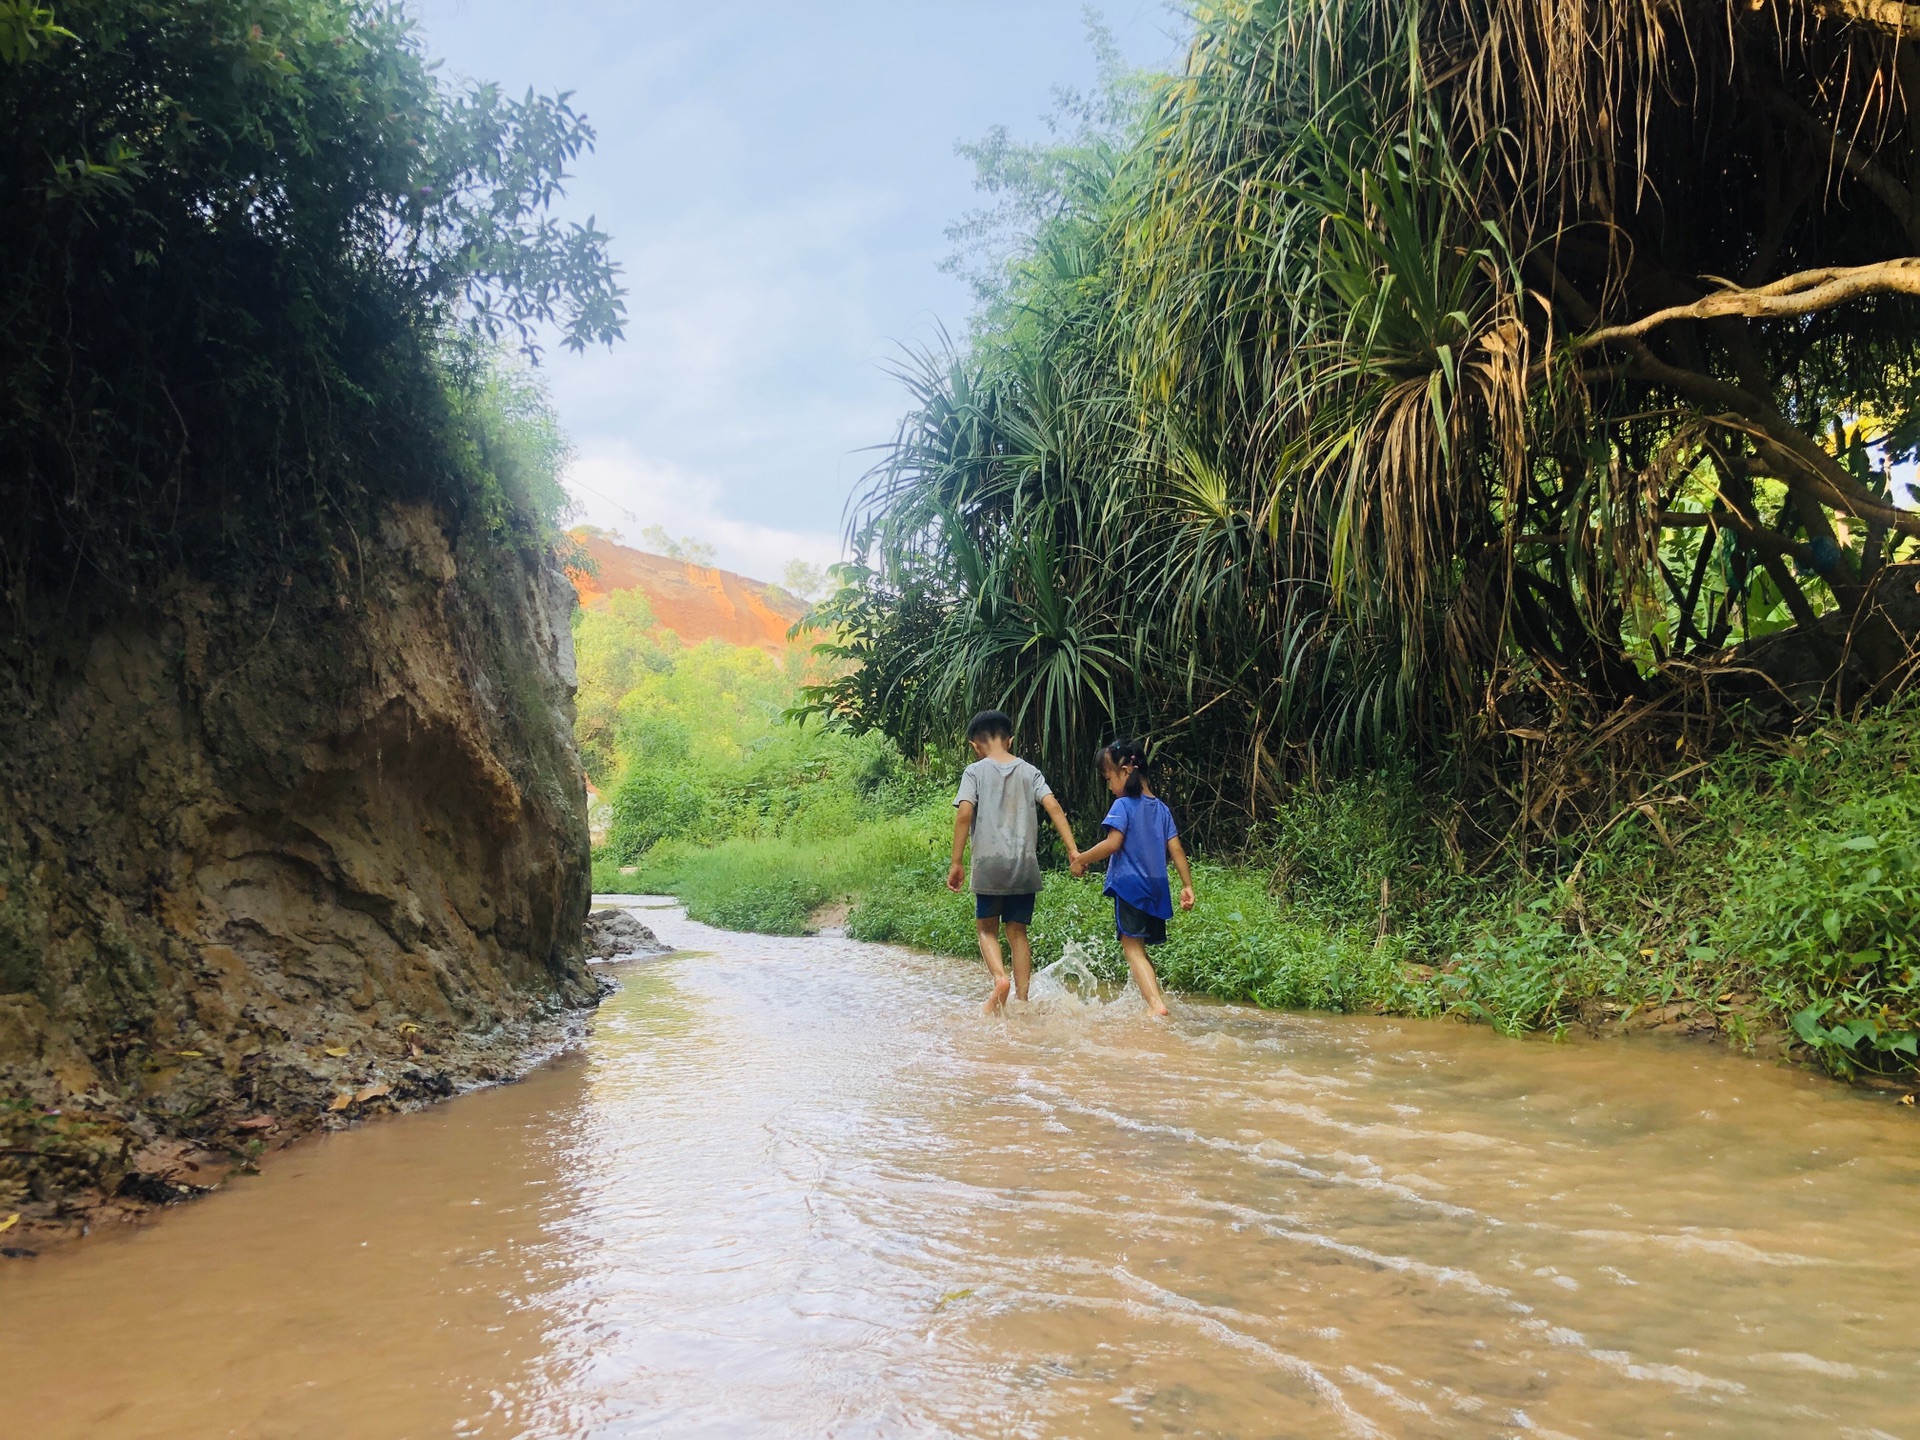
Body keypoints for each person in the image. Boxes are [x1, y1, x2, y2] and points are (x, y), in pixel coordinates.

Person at [947, 710, 1081, 1014]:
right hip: (1024, 864)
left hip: (989, 864)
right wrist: (1073, 851)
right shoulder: (1030, 771)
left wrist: (956, 862)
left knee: (986, 929)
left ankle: (999, 979)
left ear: (974, 745)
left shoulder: (974, 772)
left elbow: (964, 814)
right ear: (1010, 740)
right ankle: (1022, 1000)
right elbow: (1054, 807)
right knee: (1018, 932)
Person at [1070, 738, 1193, 1018]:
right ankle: (1155, 999)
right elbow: (1176, 849)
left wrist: (1081, 859)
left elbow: (1113, 843)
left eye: (1108, 777)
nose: (1109, 785)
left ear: (1125, 772)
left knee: (1131, 948)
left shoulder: (1123, 806)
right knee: (1139, 947)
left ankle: (1155, 1005)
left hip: (1131, 885)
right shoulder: (1161, 809)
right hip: (1157, 886)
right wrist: (1187, 885)